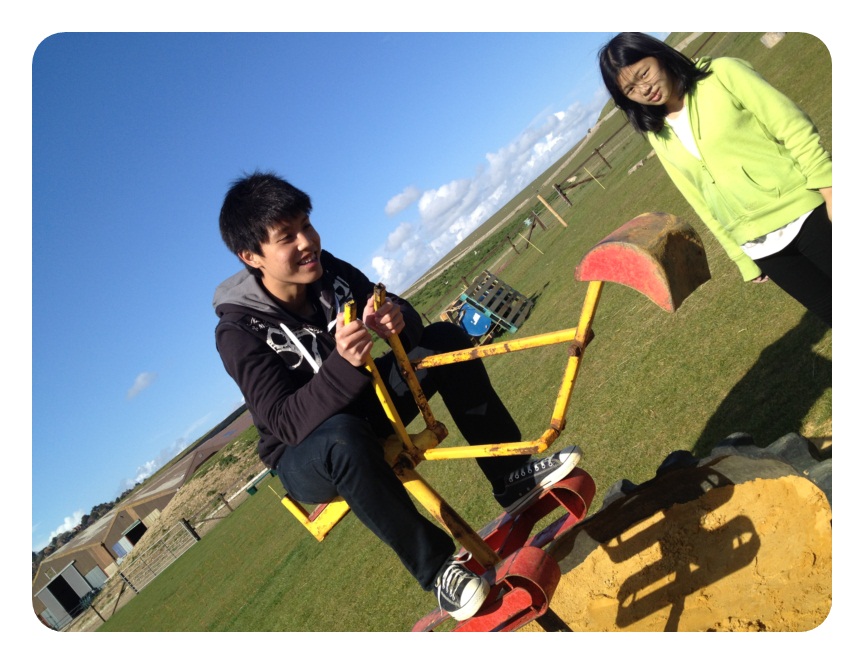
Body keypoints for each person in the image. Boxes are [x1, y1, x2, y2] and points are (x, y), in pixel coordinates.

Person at [212, 171, 582, 621]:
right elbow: (285, 422)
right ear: (251, 256)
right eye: (287, 236)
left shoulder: (330, 270)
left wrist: (393, 320)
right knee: (342, 437)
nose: (307, 242)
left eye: (306, 225)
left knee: (444, 339)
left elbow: (405, 315)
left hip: (366, 406)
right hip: (306, 454)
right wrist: (343, 364)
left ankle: (511, 478)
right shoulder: (237, 332)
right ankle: (438, 570)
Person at [598, 33, 832, 326]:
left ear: (659, 56)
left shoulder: (722, 74)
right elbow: (699, 198)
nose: (644, 89)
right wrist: (740, 256)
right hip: (763, 247)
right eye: (630, 89)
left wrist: (830, 189)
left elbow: (793, 126)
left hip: (809, 213)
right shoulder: (658, 133)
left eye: (643, 73)